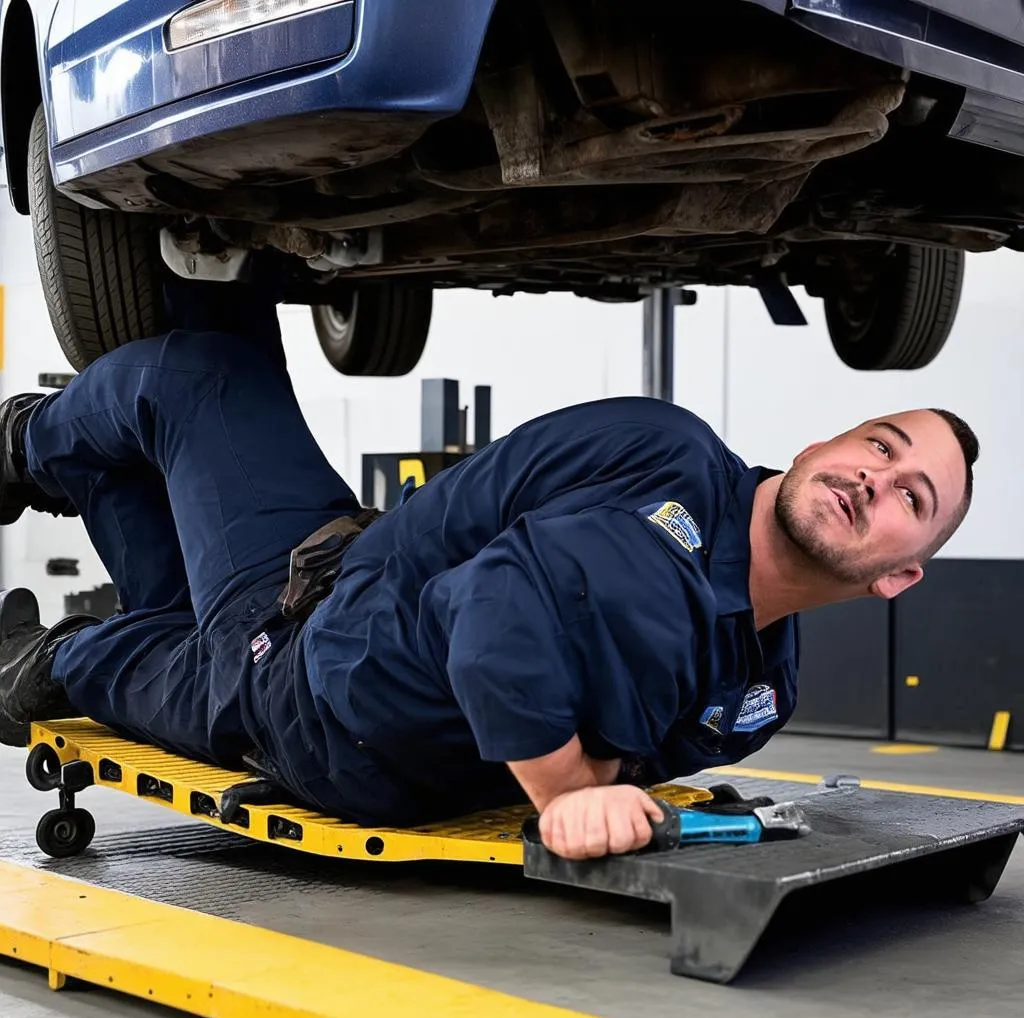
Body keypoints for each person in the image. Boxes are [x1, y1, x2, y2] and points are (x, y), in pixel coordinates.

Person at [0, 287, 978, 862]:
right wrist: (572, 779)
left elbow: (502, 617)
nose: (875, 477)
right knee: (222, 327)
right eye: (879, 445)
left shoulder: (756, 688)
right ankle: (57, 513)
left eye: (912, 497)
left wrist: (563, 794)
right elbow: (516, 634)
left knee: (197, 376)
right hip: (343, 586)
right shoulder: (670, 480)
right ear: (820, 444)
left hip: (300, 681)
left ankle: (38, 584)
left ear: (898, 575)